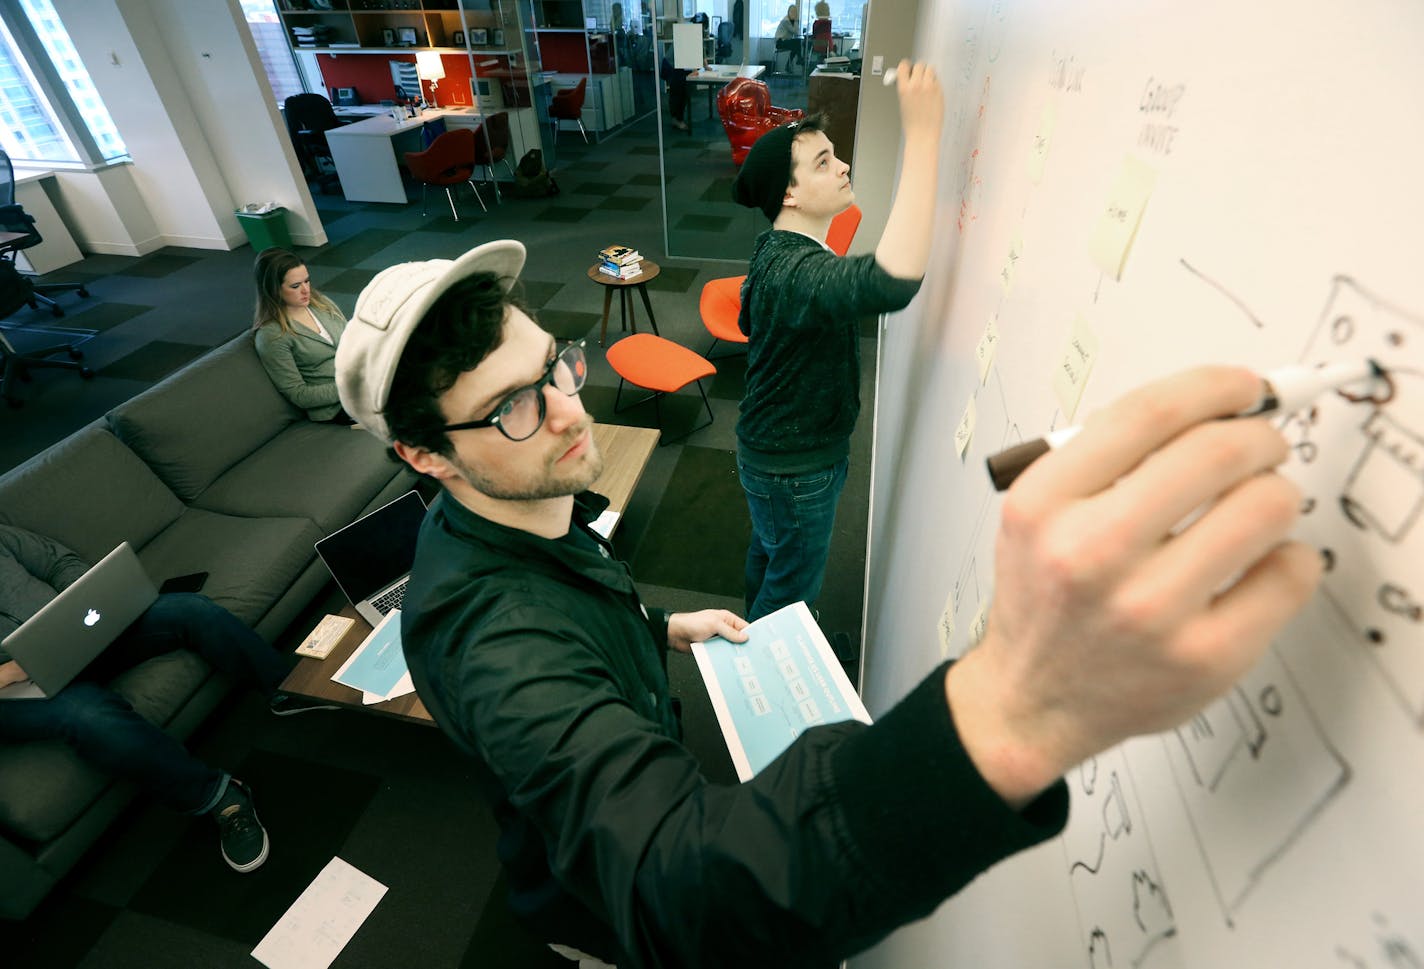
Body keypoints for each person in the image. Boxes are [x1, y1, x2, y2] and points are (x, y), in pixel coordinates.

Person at [333, 233, 1321, 968]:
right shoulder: (490, 638)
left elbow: (576, 596)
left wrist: (653, 626)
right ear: (423, 456)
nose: (565, 406)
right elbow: (687, 894)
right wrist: (1009, 714)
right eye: (510, 407)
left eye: (552, 363)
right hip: (593, 907)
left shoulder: (527, 506)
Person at [727, 62, 941, 622]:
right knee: (791, 597)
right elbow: (891, 282)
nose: (843, 165)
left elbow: (753, 319)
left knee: (770, 558)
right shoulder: (794, 271)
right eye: (824, 162)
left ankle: (753, 645)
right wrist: (922, 136)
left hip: (773, 454)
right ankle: (769, 688)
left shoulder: (776, 251)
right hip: (794, 466)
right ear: (790, 193)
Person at [0, 525, 295, 873]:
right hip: (17, 688)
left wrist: (79, 611)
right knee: (87, 714)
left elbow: (58, 563)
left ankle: (288, 688)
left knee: (191, 609)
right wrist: (10, 672)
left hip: (78, 639)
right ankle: (220, 798)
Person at [251, 246, 352, 423]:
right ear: (274, 289)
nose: (306, 290)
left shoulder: (321, 303)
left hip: (362, 381)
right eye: (296, 286)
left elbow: (352, 340)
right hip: (336, 406)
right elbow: (299, 395)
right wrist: (350, 387)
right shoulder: (272, 335)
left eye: (307, 281)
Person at [774, 3, 802, 70]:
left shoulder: (791, 21)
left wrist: (795, 21)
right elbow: (795, 32)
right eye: (791, 11)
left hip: (785, 41)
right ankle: (799, 59)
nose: (793, 13)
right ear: (788, 12)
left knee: (796, 45)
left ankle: (790, 63)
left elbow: (797, 32)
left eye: (795, 12)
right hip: (780, 42)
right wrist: (796, 20)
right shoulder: (786, 21)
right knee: (797, 43)